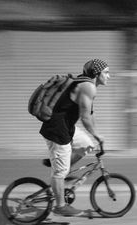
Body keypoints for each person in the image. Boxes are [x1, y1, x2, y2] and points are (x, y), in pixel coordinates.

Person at [40, 59, 110, 216]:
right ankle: (60, 206)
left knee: (87, 145)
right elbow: (85, 119)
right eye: (106, 72)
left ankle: (61, 166)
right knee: (60, 173)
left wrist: (97, 137)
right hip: (57, 130)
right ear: (96, 74)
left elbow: (90, 116)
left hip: (67, 128)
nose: (109, 76)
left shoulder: (87, 85)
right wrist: (98, 135)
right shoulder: (88, 87)